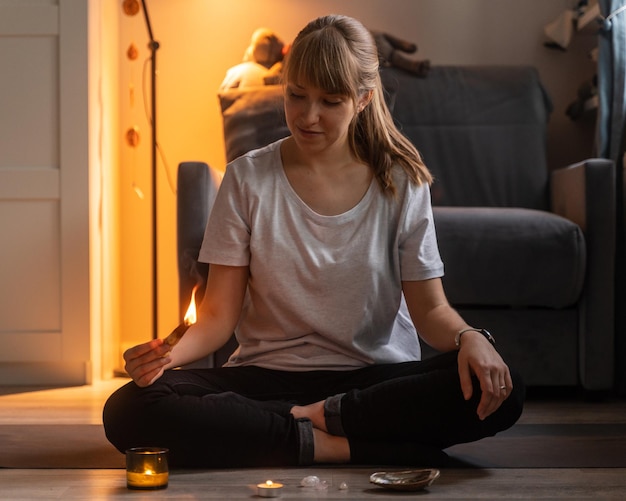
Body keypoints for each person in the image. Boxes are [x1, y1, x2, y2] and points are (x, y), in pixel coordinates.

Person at [103, 14, 524, 468]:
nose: (307, 116)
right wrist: (165, 358)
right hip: (268, 379)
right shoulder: (247, 177)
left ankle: (307, 426)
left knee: (502, 384)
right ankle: (341, 444)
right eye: (296, 96)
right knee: (128, 408)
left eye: (329, 101)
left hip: (373, 382)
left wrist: (470, 338)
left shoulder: (402, 181)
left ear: (363, 99)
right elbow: (217, 318)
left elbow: (431, 311)